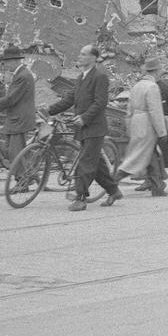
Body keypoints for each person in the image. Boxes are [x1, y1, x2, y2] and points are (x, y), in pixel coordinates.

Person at [48, 44, 121, 211]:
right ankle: (114, 190)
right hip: (83, 128)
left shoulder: (100, 77)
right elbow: (69, 99)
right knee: (97, 165)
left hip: (94, 128)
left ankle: (80, 198)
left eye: (83, 54)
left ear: (93, 58)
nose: (80, 57)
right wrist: (50, 110)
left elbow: (100, 102)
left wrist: (84, 117)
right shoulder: (81, 77)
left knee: (86, 162)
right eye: (80, 54)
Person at [117, 55, 168, 195]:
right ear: (156, 71)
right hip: (147, 124)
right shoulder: (152, 87)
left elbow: (129, 110)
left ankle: (157, 186)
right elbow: (155, 111)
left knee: (149, 154)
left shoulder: (136, 86)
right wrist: (162, 132)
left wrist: (129, 128)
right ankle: (113, 180)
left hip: (135, 122)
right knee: (137, 157)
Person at [0, 45, 36, 165]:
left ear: (16, 61)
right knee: (14, 151)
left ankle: (22, 179)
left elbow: (12, 98)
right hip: (16, 119)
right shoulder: (20, 74)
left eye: (8, 62)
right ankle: (22, 177)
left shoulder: (23, 76)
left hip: (19, 120)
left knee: (16, 153)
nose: (6, 65)